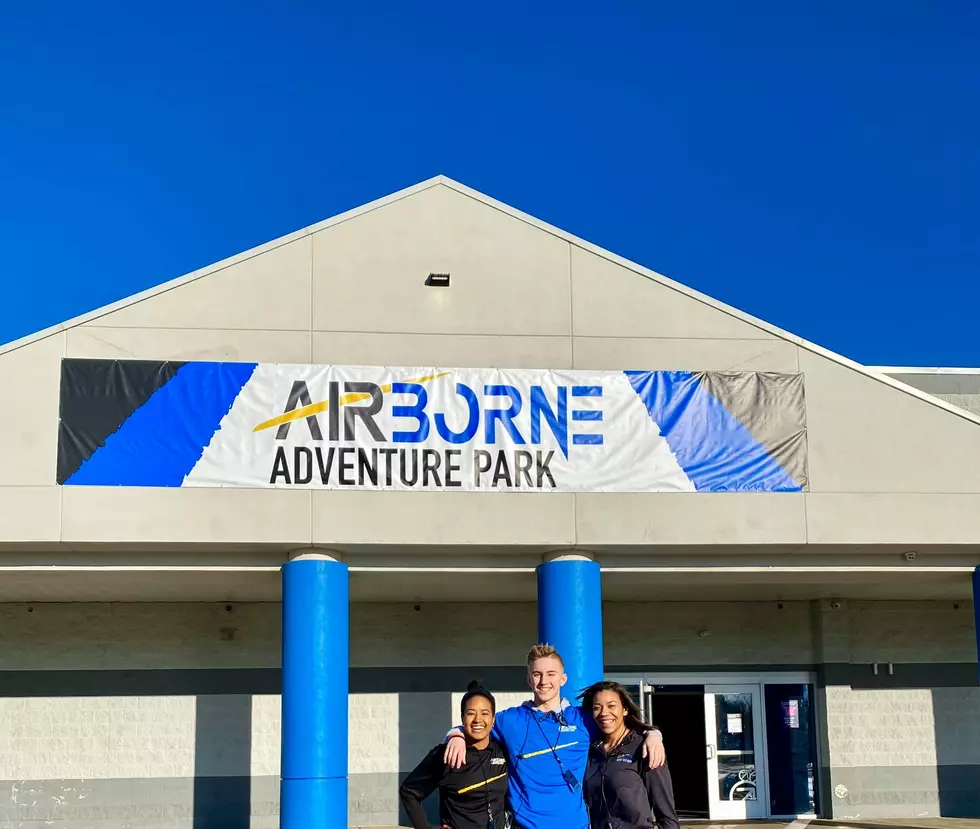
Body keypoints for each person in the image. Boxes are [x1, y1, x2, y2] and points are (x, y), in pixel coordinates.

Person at [444, 644, 666, 829]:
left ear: (563, 679)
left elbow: (623, 726)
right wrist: (455, 735)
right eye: (537, 674)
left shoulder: (583, 719)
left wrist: (653, 734)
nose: (543, 681)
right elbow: (475, 725)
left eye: (551, 674)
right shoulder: (510, 721)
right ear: (529, 679)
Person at [400, 681, 509, 829]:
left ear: (493, 719)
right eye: (471, 713)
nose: (478, 719)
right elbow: (409, 792)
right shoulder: (446, 754)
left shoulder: (503, 750)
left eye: (485, 713)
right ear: (463, 718)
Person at [581, 681, 680, 829]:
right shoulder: (592, 751)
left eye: (611, 706)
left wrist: (653, 733)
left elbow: (666, 815)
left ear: (625, 709)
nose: (604, 713)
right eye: (597, 707)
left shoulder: (645, 747)